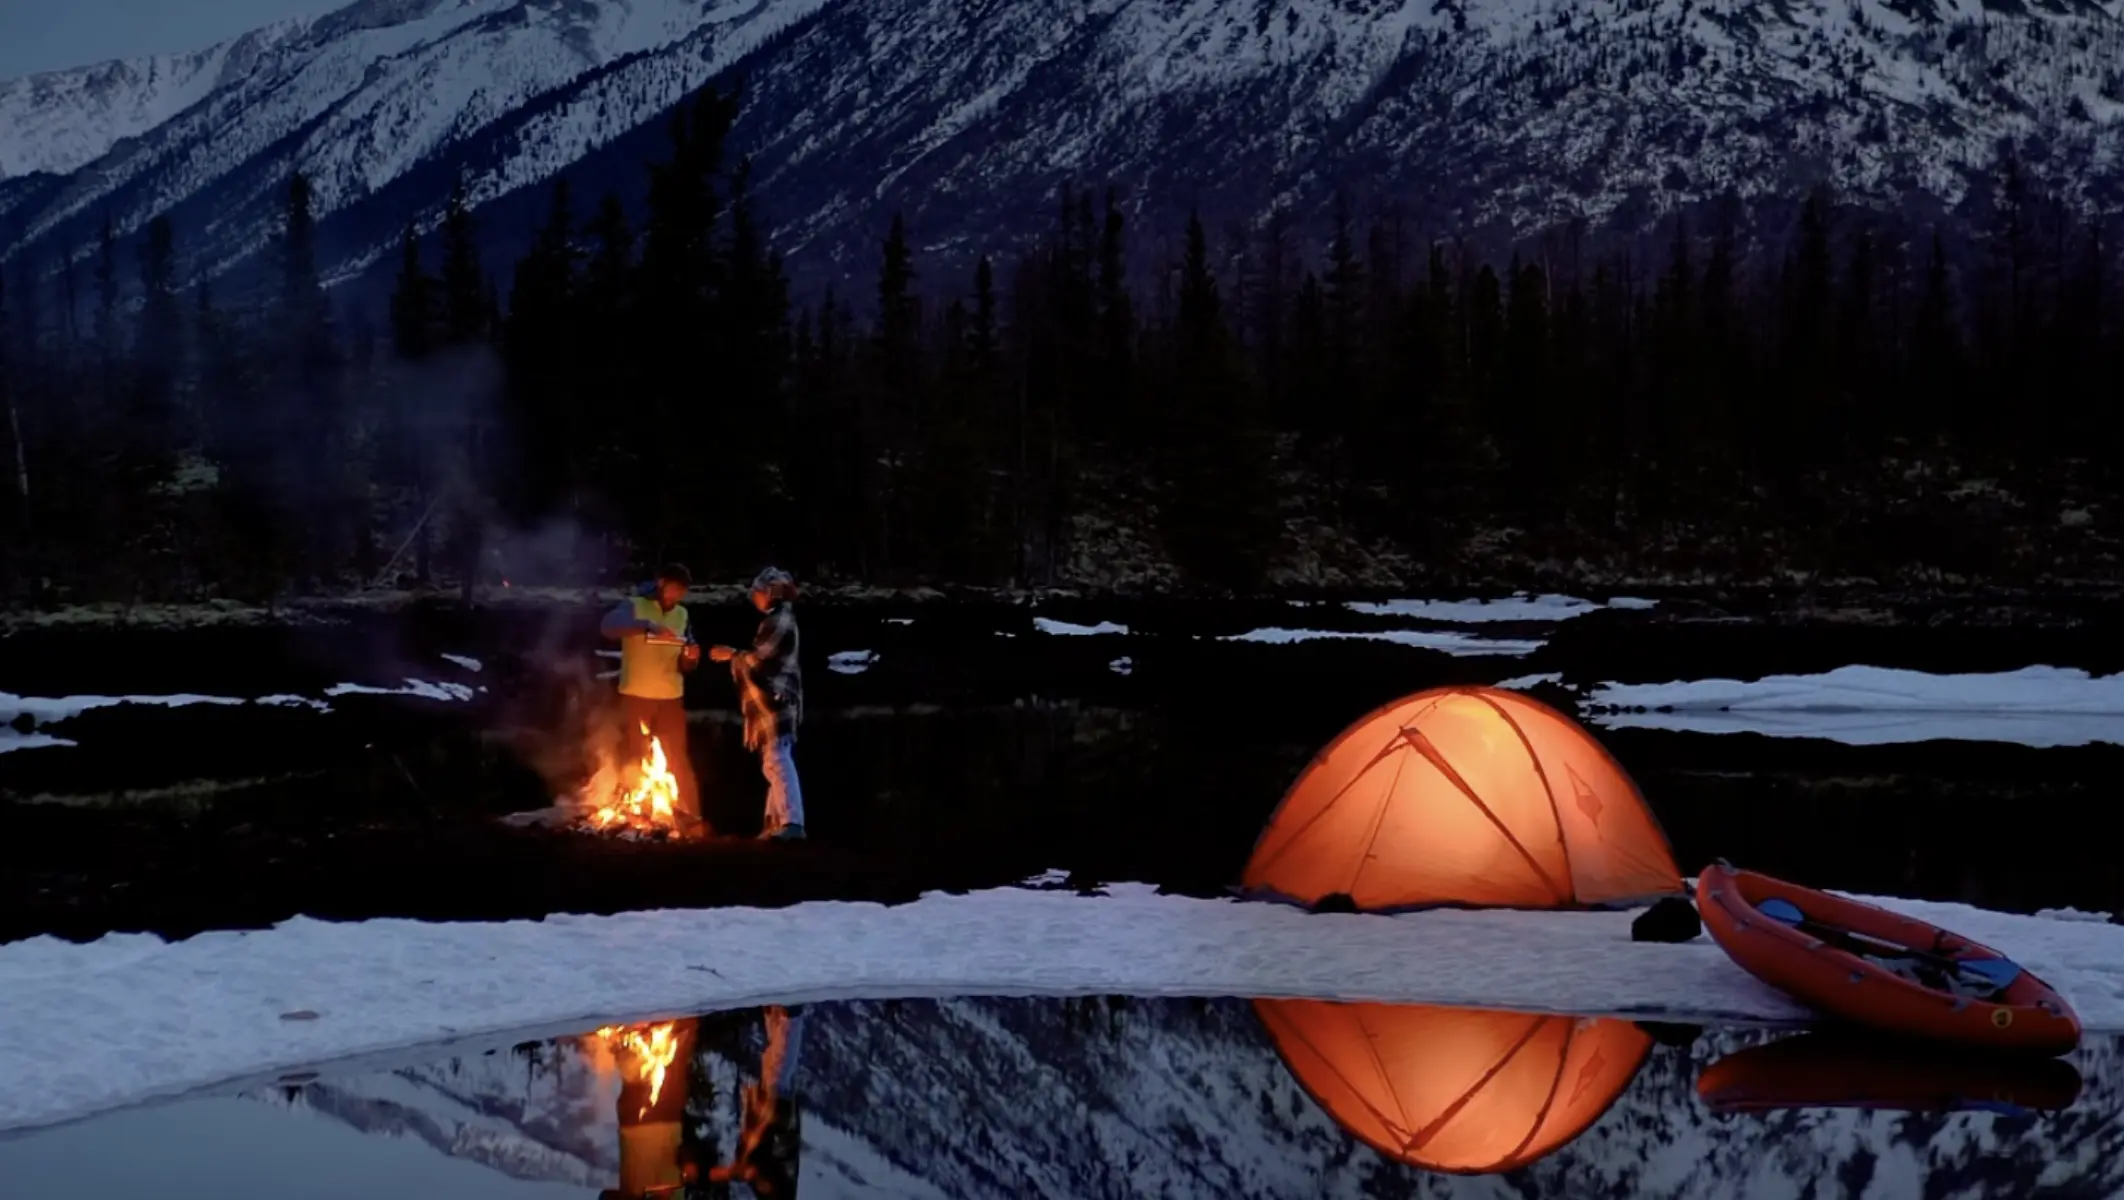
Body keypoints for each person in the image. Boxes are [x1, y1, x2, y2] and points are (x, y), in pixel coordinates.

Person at [598, 563, 704, 831]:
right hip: (637, 696)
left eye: (682, 591)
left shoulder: (682, 614)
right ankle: (636, 816)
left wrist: (691, 657)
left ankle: (691, 819)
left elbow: (686, 662)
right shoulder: (635, 605)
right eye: (674, 588)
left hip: (671, 698)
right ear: (661, 583)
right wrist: (646, 625)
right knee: (635, 757)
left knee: (678, 758)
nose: (677, 595)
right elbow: (608, 627)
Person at [709, 567, 804, 840]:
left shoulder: (779, 621)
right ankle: (775, 823)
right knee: (772, 763)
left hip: (776, 700)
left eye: (758, 592)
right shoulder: (779, 618)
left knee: (778, 760)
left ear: (771, 593)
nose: (754, 597)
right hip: (774, 703)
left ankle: (792, 823)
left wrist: (732, 655)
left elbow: (760, 660)